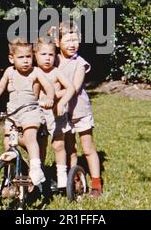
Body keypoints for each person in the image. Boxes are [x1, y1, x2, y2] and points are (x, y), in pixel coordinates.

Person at [0, 38, 55, 186]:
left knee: (29, 138)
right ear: (11, 59)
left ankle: (35, 169)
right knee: (7, 141)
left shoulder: (36, 72)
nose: (26, 61)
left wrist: (49, 99)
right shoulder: (9, 72)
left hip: (31, 111)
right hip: (13, 114)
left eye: (28, 57)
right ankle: (13, 170)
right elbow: (0, 87)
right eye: (21, 57)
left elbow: (49, 87)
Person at [53, 21, 103, 198]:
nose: (72, 44)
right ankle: (74, 182)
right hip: (63, 113)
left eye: (75, 40)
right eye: (67, 40)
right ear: (58, 43)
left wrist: (52, 94)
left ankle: (96, 183)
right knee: (70, 148)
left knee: (87, 148)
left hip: (80, 111)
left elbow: (73, 87)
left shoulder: (80, 63)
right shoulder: (55, 61)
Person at [34, 37, 75, 189]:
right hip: (39, 114)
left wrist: (62, 102)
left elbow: (71, 88)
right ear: (35, 55)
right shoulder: (34, 72)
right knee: (40, 145)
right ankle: (41, 175)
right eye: (43, 54)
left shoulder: (56, 72)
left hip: (56, 113)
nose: (47, 58)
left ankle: (62, 175)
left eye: (51, 55)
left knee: (58, 144)